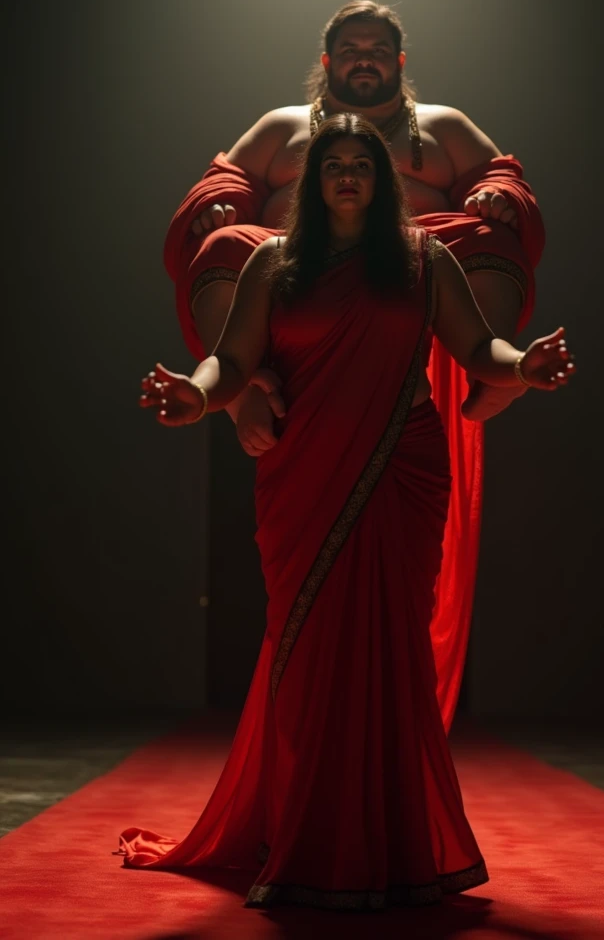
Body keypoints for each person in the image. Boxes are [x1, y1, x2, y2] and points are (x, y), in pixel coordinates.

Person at [122, 115, 574, 910]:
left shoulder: (423, 260)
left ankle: (396, 848)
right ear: (312, 177)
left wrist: (524, 367)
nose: (346, 176)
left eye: (361, 165)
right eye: (332, 164)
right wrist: (196, 397)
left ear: (383, 178)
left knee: (391, 649)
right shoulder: (273, 262)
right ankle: (302, 842)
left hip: (401, 466)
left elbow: (478, 349)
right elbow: (232, 360)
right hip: (304, 474)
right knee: (308, 649)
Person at [163, 0, 547, 729]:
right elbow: (220, 183)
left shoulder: (446, 127)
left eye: (377, 48)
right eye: (350, 47)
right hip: (296, 282)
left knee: (490, 243)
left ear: (399, 62)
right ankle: (240, 388)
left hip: (407, 280)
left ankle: (493, 374)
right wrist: (220, 207)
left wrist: (496, 193)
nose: (363, 58)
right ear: (328, 58)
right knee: (220, 253)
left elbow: (504, 179)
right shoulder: (281, 129)